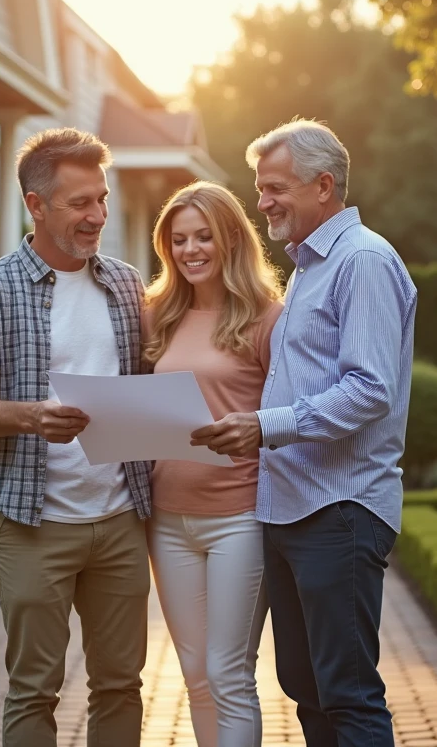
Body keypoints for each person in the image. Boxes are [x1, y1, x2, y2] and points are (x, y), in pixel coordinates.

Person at [191, 119, 418, 747]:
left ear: (324, 186)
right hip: (291, 511)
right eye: (260, 188)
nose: (261, 202)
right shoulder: (307, 269)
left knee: (347, 693)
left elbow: (369, 390)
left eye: (274, 188)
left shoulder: (364, 260)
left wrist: (264, 428)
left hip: (340, 509)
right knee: (306, 687)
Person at [0, 127, 152, 747]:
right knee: (34, 689)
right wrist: (32, 417)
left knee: (120, 684)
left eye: (102, 200)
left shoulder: (127, 286)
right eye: (80, 203)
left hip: (120, 519)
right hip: (33, 523)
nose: (98, 216)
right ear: (36, 205)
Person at [142, 181, 284, 747]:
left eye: (203, 236)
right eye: (178, 240)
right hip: (167, 519)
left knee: (228, 675)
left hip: (239, 518)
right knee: (196, 677)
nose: (190, 249)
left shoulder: (267, 318)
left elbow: (286, 422)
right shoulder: (158, 316)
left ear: (230, 238)